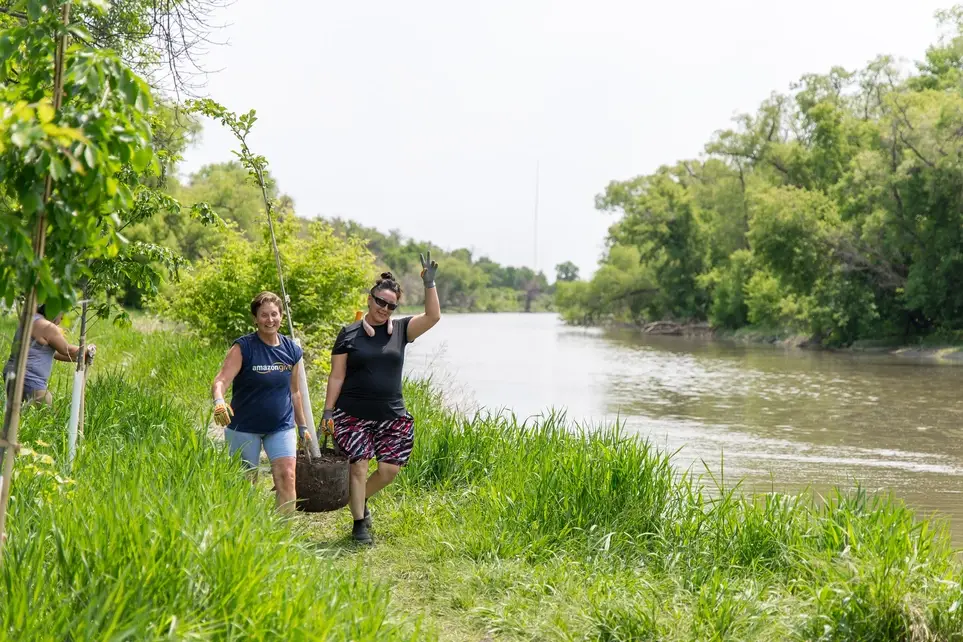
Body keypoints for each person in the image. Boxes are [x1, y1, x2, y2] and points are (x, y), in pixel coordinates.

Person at [322, 252, 441, 544]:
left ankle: (358, 499)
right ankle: (359, 524)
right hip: (351, 413)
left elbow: (433, 316)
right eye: (380, 302)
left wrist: (429, 284)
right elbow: (337, 375)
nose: (384, 308)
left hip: (391, 414)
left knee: (389, 470)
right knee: (359, 465)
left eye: (391, 305)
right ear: (369, 299)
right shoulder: (348, 334)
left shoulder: (401, 330)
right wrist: (327, 412)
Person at [210, 291, 309, 513]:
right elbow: (221, 380)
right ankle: (245, 535)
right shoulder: (243, 347)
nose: (270, 320)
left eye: (274, 314)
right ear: (255, 318)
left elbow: (295, 393)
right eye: (264, 315)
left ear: (281, 316)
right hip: (244, 427)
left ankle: (282, 538)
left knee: (287, 476)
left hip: (281, 426)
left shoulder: (292, 350)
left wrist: (302, 427)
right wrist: (219, 401)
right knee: (245, 482)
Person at [3, 304, 96, 407]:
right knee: (44, 413)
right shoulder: (46, 326)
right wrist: (87, 351)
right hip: (29, 378)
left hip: (13, 373)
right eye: (62, 313)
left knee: (17, 414)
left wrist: (80, 358)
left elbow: (55, 353)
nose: (62, 318)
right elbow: (66, 350)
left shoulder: (31, 319)